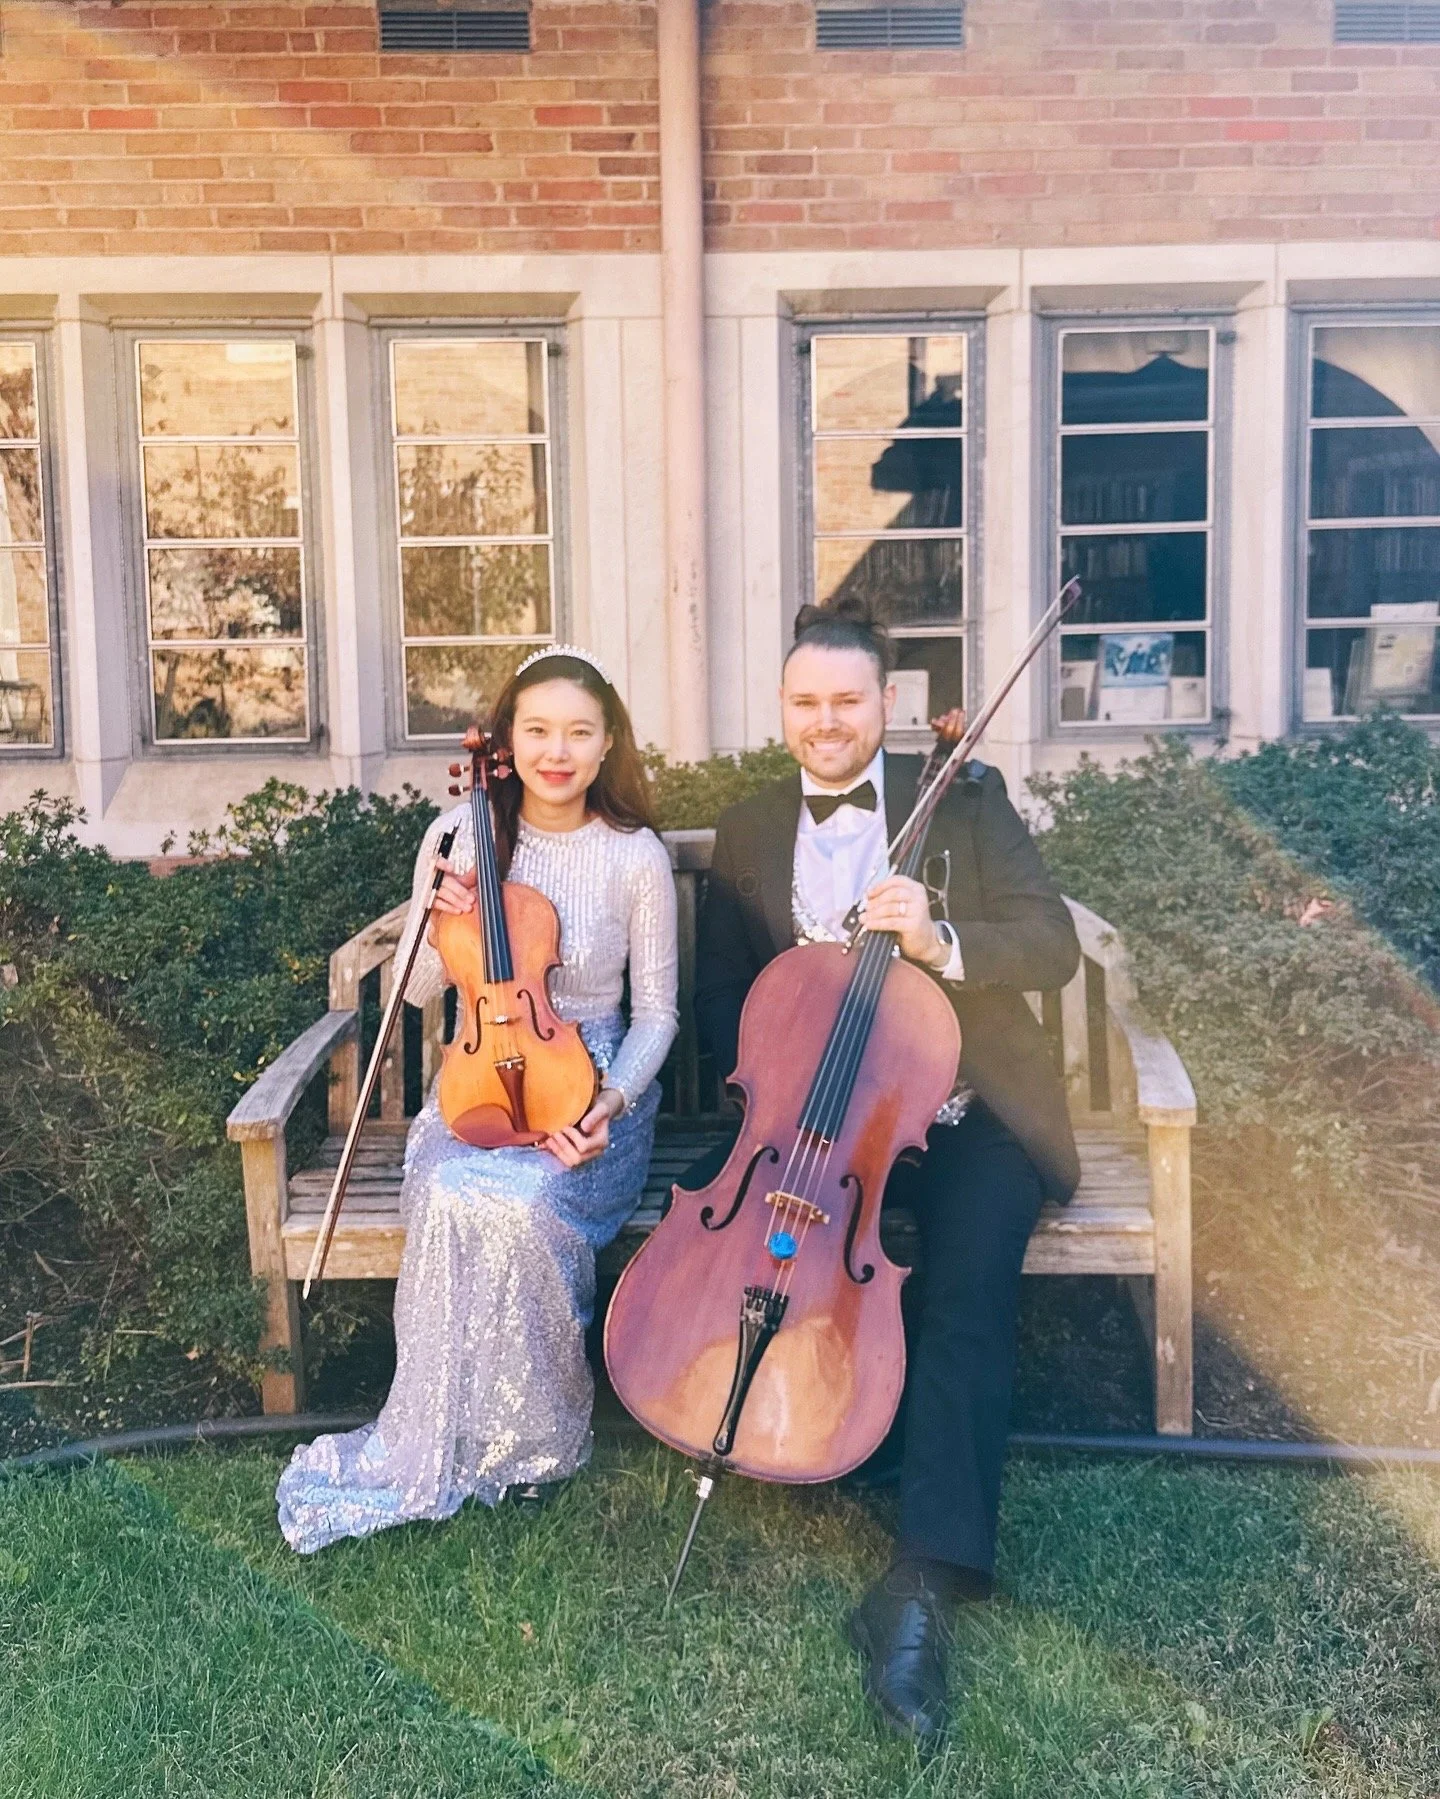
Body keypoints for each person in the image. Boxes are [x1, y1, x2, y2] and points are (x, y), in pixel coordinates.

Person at [690, 600, 1081, 1746]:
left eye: (848, 701)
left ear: (887, 706)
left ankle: (923, 1579)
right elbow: (719, 990)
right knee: (791, 1264)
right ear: (784, 710)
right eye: (805, 702)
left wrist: (943, 937)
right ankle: (802, 1444)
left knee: (966, 1282)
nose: (827, 723)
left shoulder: (962, 797)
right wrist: (773, 1072)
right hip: (810, 1130)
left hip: (961, 1112)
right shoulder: (753, 824)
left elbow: (1049, 944)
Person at [277, 646, 678, 1553]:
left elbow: (657, 1016)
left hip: (592, 1084)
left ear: (608, 740)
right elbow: (420, 990)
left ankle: (535, 1443)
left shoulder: (634, 856)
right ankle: (451, 1431)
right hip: (472, 1081)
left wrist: (607, 1102)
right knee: (461, 1192)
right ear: (506, 740)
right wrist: (437, 909)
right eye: (537, 730)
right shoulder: (459, 835)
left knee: (530, 1202)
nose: (558, 750)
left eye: (579, 731)